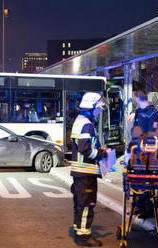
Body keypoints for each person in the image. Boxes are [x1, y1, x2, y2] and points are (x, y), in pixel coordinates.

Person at [70, 92, 107, 247]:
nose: (99, 111)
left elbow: (84, 145)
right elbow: (85, 149)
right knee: (87, 204)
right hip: (86, 172)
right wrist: (101, 154)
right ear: (91, 107)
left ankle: (79, 229)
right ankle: (84, 236)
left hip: (80, 172)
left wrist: (97, 147)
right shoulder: (87, 124)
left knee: (80, 203)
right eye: (98, 108)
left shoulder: (80, 120)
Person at [127, 90, 158, 218]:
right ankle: (139, 205)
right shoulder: (139, 112)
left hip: (147, 154)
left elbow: (155, 135)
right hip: (137, 152)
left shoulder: (153, 114)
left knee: (146, 181)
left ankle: (147, 207)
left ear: (137, 99)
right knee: (137, 180)